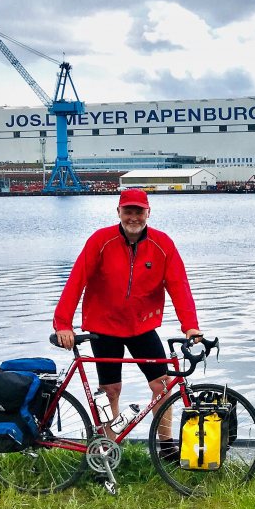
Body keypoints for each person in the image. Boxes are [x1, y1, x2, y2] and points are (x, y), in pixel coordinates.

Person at [53, 188, 201, 452]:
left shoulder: (162, 244)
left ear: (148, 213)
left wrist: (190, 326)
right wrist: (63, 324)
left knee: (162, 384)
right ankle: (107, 450)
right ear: (119, 212)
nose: (133, 217)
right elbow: (76, 280)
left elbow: (179, 286)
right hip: (103, 326)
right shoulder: (101, 240)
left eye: (139, 212)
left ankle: (166, 446)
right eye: (128, 211)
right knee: (110, 390)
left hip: (142, 326)